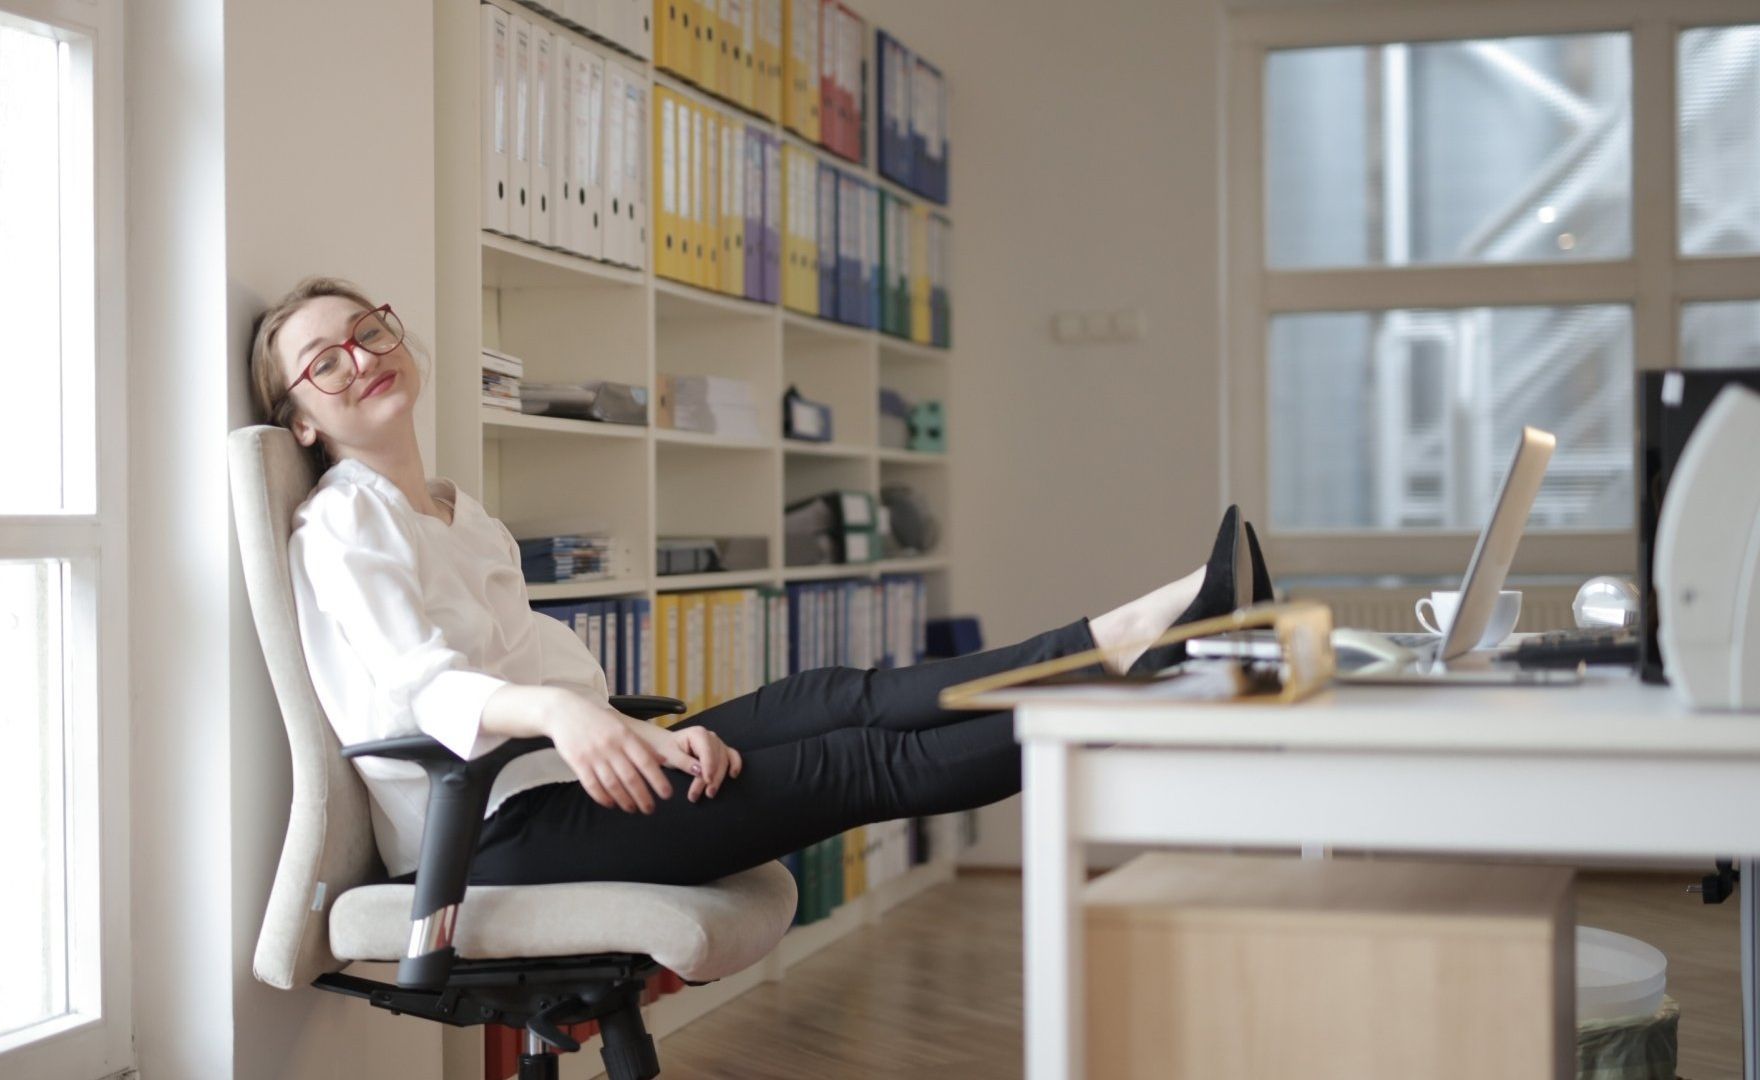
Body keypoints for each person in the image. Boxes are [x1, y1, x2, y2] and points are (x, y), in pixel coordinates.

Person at [248, 277, 1252, 888]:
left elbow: (560, 686)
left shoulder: (461, 514)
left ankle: (1130, 630)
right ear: (301, 419)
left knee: (833, 697)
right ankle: (1149, 688)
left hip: (569, 774)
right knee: (855, 762)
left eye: (368, 331)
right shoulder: (341, 520)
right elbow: (424, 686)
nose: (360, 358)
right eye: (323, 363)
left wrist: (625, 728)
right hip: (487, 829)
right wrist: (565, 713)